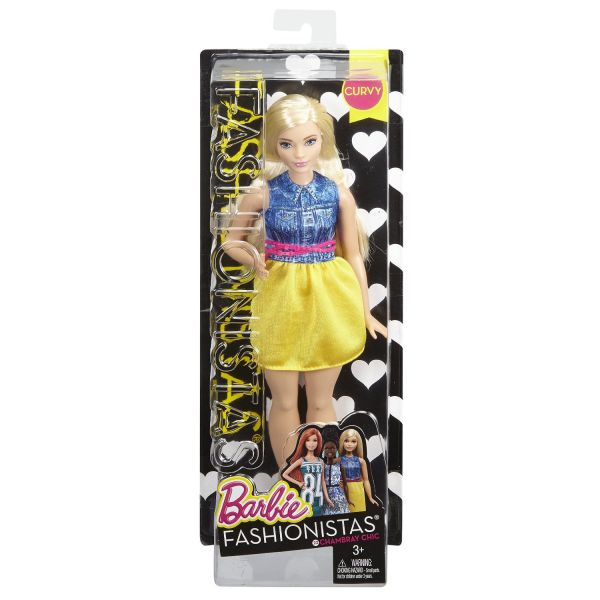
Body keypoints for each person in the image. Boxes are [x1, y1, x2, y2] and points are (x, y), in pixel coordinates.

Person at [224, 94, 387, 466]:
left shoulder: (336, 194)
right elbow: (230, 242)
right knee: (283, 400)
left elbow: (354, 256)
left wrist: (366, 312)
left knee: (320, 399)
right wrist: (253, 259)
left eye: (309, 142)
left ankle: (321, 477)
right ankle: (290, 476)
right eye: (287, 144)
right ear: (274, 145)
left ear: (322, 141)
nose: (299, 153)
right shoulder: (262, 193)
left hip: (329, 296)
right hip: (280, 295)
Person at [281, 427, 333, 517]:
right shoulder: (302, 460)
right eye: (308, 440)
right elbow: (285, 474)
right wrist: (298, 483)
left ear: (318, 442)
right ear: (304, 442)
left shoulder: (320, 461)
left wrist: (327, 498)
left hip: (319, 497)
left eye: (314, 440)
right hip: (306, 497)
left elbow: (322, 480)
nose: (311, 443)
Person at [338, 428, 379, 512]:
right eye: (346, 441)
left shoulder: (361, 461)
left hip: (357, 490)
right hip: (342, 490)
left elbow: (366, 480)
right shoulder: (338, 461)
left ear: (358, 443)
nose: (349, 444)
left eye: (353, 441)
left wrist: (370, 497)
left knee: (358, 512)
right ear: (342, 442)